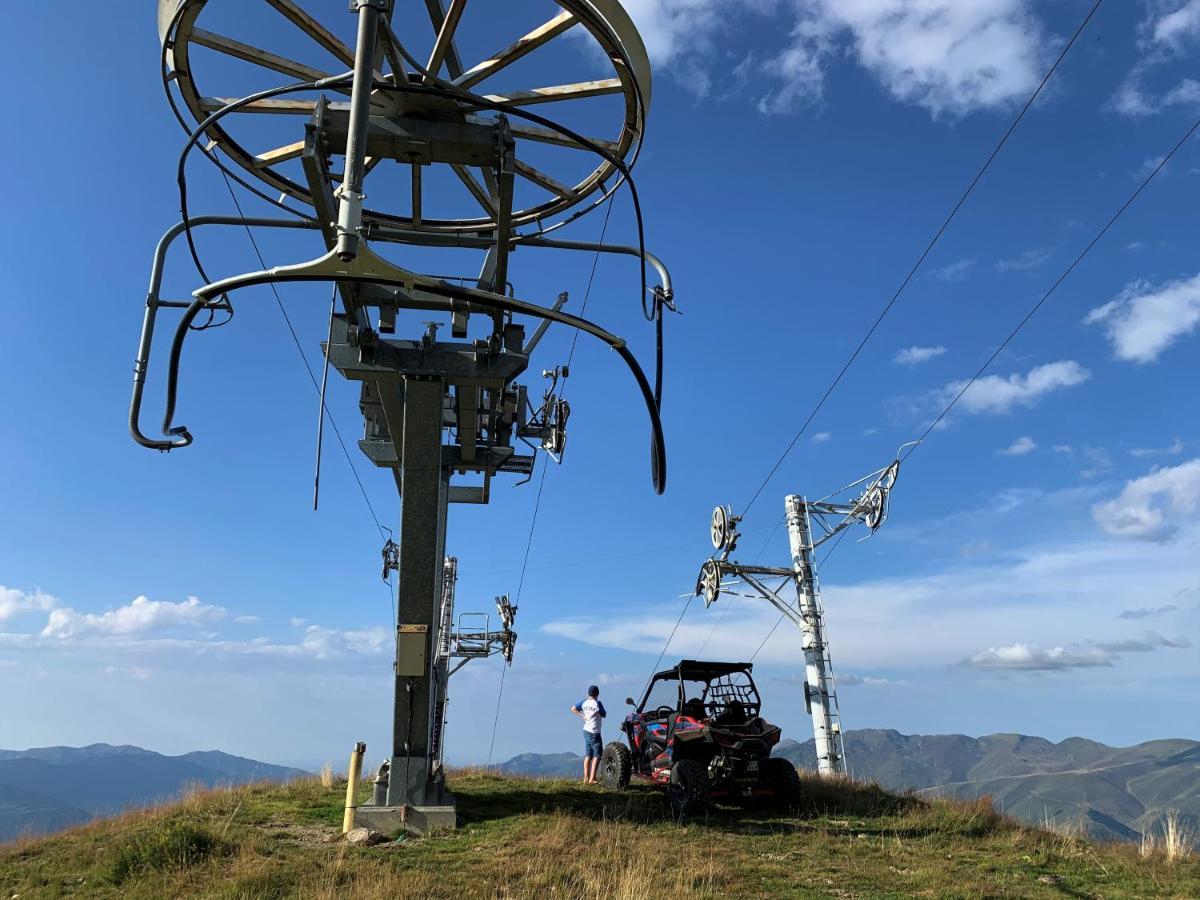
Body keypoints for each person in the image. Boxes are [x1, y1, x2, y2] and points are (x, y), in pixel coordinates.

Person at [570, 684, 607, 784]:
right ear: (597, 694)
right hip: (595, 732)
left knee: (588, 755)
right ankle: (592, 778)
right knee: (597, 755)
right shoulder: (598, 703)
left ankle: (585, 779)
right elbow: (604, 714)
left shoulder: (584, 702)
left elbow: (573, 708)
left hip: (586, 730)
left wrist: (582, 715)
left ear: (588, 693)